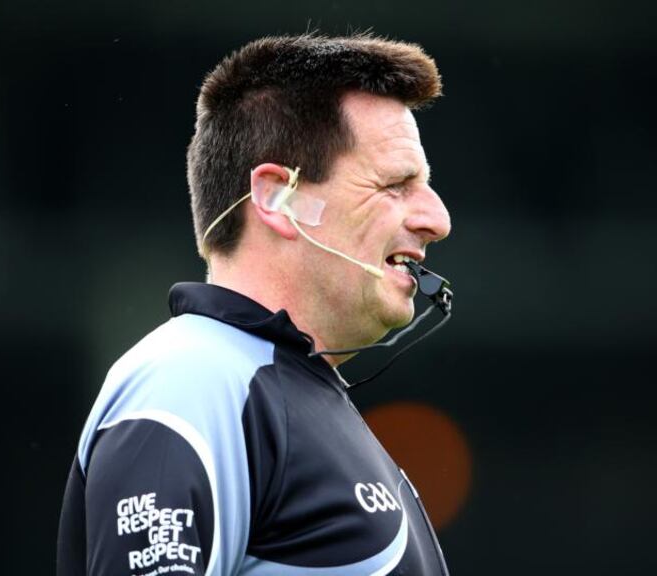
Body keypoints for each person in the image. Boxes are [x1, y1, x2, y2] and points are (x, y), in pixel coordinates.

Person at [57, 33, 453, 576]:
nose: (437, 219)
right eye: (395, 185)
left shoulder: (275, 390)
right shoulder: (193, 377)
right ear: (277, 197)